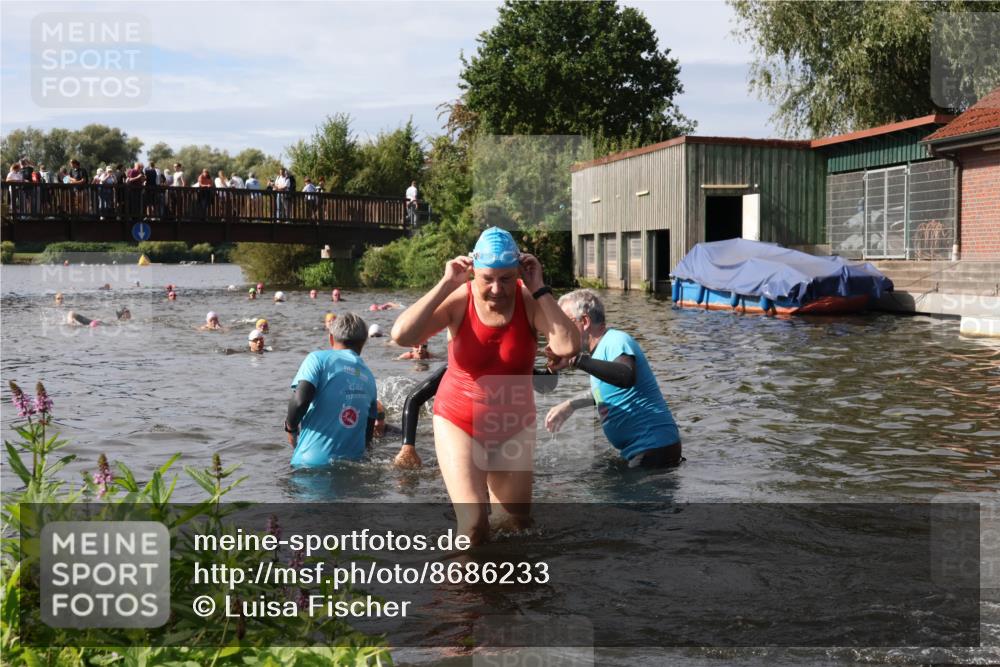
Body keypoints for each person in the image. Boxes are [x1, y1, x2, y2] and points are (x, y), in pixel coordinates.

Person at [390, 226, 579, 543]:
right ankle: (460, 591)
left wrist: (540, 288)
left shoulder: (529, 300)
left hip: (513, 424)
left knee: (516, 524)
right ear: (473, 272)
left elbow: (567, 347)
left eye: (506, 279)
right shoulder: (459, 300)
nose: (496, 289)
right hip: (458, 419)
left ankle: (499, 589)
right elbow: (402, 336)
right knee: (475, 525)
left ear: (518, 272)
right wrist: (446, 283)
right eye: (487, 279)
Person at [544, 289, 682, 468]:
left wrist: (576, 360)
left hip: (654, 448)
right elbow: (607, 390)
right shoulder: (599, 353)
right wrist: (571, 405)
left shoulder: (617, 340)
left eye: (565, 324)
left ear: (585, 321)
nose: (562, 331)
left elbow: (625, 375)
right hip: (644, 450)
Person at [392, 364, 559, 470]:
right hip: (463, 443)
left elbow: (544, 387)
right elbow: (414, 399)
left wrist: (553, 367)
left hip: (500, 444)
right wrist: (408, 447)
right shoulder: (455, 369)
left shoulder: (514, 365)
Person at [285, 312, 378, 465]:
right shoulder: (369, 377)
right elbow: (367, 438)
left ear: (331, 338)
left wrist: (291, 428)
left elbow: (300, 401)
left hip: (310, 465)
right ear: (363, 343)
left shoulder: (317, 359)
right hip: (352, 468)